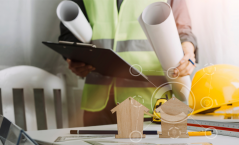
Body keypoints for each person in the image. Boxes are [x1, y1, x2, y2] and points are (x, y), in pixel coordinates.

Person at [59, 0, 198, 126]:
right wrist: (74, 59)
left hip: (149, 101)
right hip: (98, 102)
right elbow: (69, 34)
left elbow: (183, 30)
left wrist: (188, 50)